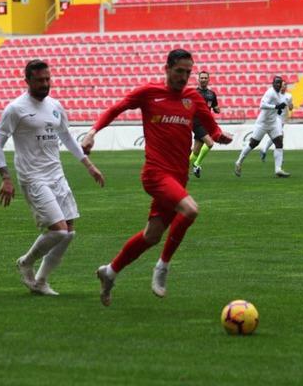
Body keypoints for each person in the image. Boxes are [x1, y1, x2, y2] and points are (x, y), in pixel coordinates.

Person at [81, 49, 233, 307]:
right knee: (191, 210)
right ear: (167, 68)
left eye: (188, 72)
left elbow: (212, 127)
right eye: (179, 71)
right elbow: (116, 108)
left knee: (151, 236)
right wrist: (92, 132)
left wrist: (220, 136)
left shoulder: (192, 98)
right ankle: (163, 267)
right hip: (155, 174)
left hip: (178, 177)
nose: (184, 77)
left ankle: (110, 272)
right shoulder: (148, 93)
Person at [0, 60, 105, 296]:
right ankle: (26, 262)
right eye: (40, 80)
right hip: (33, 177)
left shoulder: (55, 106)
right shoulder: (15, 109)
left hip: (56, 174)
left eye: (48, 79)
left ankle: (41, 281)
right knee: (59, 230)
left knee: (69, 231)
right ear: (28, 81)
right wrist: (5, 177)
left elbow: (67, 137)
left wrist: (89, 165)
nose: (45, 84)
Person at [234, 76, 291, 178]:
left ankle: (278, 169)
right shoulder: (270, 92)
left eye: (280, 83)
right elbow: (262, 105)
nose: (278, 85)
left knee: (279, 142)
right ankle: (239, 161)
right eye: (276, 83)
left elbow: (277, 107)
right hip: (262, 123)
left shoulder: (280, 95)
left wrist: (278, 109)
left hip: (273, 123)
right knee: (253, 144)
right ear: (273, 83)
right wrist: (275, 107)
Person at [188, 71, 220, 178]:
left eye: (205, 78)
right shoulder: (193, 93)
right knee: (210, 143)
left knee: (196, 151)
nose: (203, 79)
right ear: (198, 79)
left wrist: (216, 109)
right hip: (196, 122)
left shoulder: (212, 94)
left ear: (208, 79)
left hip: (206, 122)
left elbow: (215, 107)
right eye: (201, 78)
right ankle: (197, 165)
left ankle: (180, 168)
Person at [260, 80, 293, 162]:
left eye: (286, 85)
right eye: (283, 84)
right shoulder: (276, 95)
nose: (284, 86)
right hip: (275, 118)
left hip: (282, 119)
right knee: (279, 136)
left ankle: (264, 149)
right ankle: (279, 158)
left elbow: (290, 108)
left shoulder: (289, 96)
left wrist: (290, 105)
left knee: (277, 137)